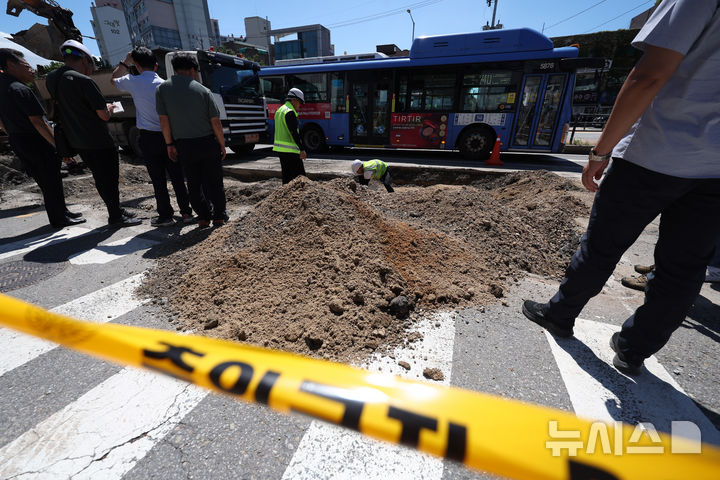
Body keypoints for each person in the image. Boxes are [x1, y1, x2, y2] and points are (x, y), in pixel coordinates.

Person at [521, 0, 720, 376]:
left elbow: (648, 77)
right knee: (683, 270)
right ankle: (634, 350)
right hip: (714, 173)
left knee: (602, 245)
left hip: (652, 154)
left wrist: (600, 152)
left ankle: (560, 314)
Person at [46, 40, 140, 227]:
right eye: (91, 65)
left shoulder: (52, 78)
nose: (91, 69)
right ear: (85, 60)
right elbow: (103, 115)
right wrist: (111, 108)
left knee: (99, 177)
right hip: (98, 139)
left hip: (77, 140)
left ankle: (116, 210)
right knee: (109, 179)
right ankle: (115, 217)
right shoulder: (84, 81)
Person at [0, 48, 85, 228]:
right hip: (35, 141)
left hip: (19, 140)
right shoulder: (19, 89)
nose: (31, 69)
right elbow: (38, 122)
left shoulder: (2, 86)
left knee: (45, 181)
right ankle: (59, 218)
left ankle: (62, 212)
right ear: (10, 65)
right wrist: (58, 146)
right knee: (51, 180)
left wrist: (13, 133)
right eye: (26, 65)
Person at [111, 47, 193, 227]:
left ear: (137, 65)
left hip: (148, 138)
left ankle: (165, 216)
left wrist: (126, 62)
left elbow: (113, 79)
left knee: (158, 179)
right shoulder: (165, 83)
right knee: (177, 176)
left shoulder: (132, 81)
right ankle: (186, 212)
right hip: (169, 136)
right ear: (156, 66)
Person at [156, 53, 228, 228]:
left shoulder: (162, 90)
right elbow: (215, 122)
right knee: (214, 181)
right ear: (191, 70)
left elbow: (163, 121)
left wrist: (169, 144)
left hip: (184, 145)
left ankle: (203, 217)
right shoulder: (203, 91)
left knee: (194, 183)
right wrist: (222, 144)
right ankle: (219, 216)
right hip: (208, 143)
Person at [272, 88, 307, 184]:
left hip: (280, 150)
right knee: (301, 178)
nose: (300, 106)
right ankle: (300, 197)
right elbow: (294, 133)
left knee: (287, 177)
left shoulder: (280, 110)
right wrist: (302, 149)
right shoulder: (290, 112)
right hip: (290, 151)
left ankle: (286, 198)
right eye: (299, 102)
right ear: (294, 100)